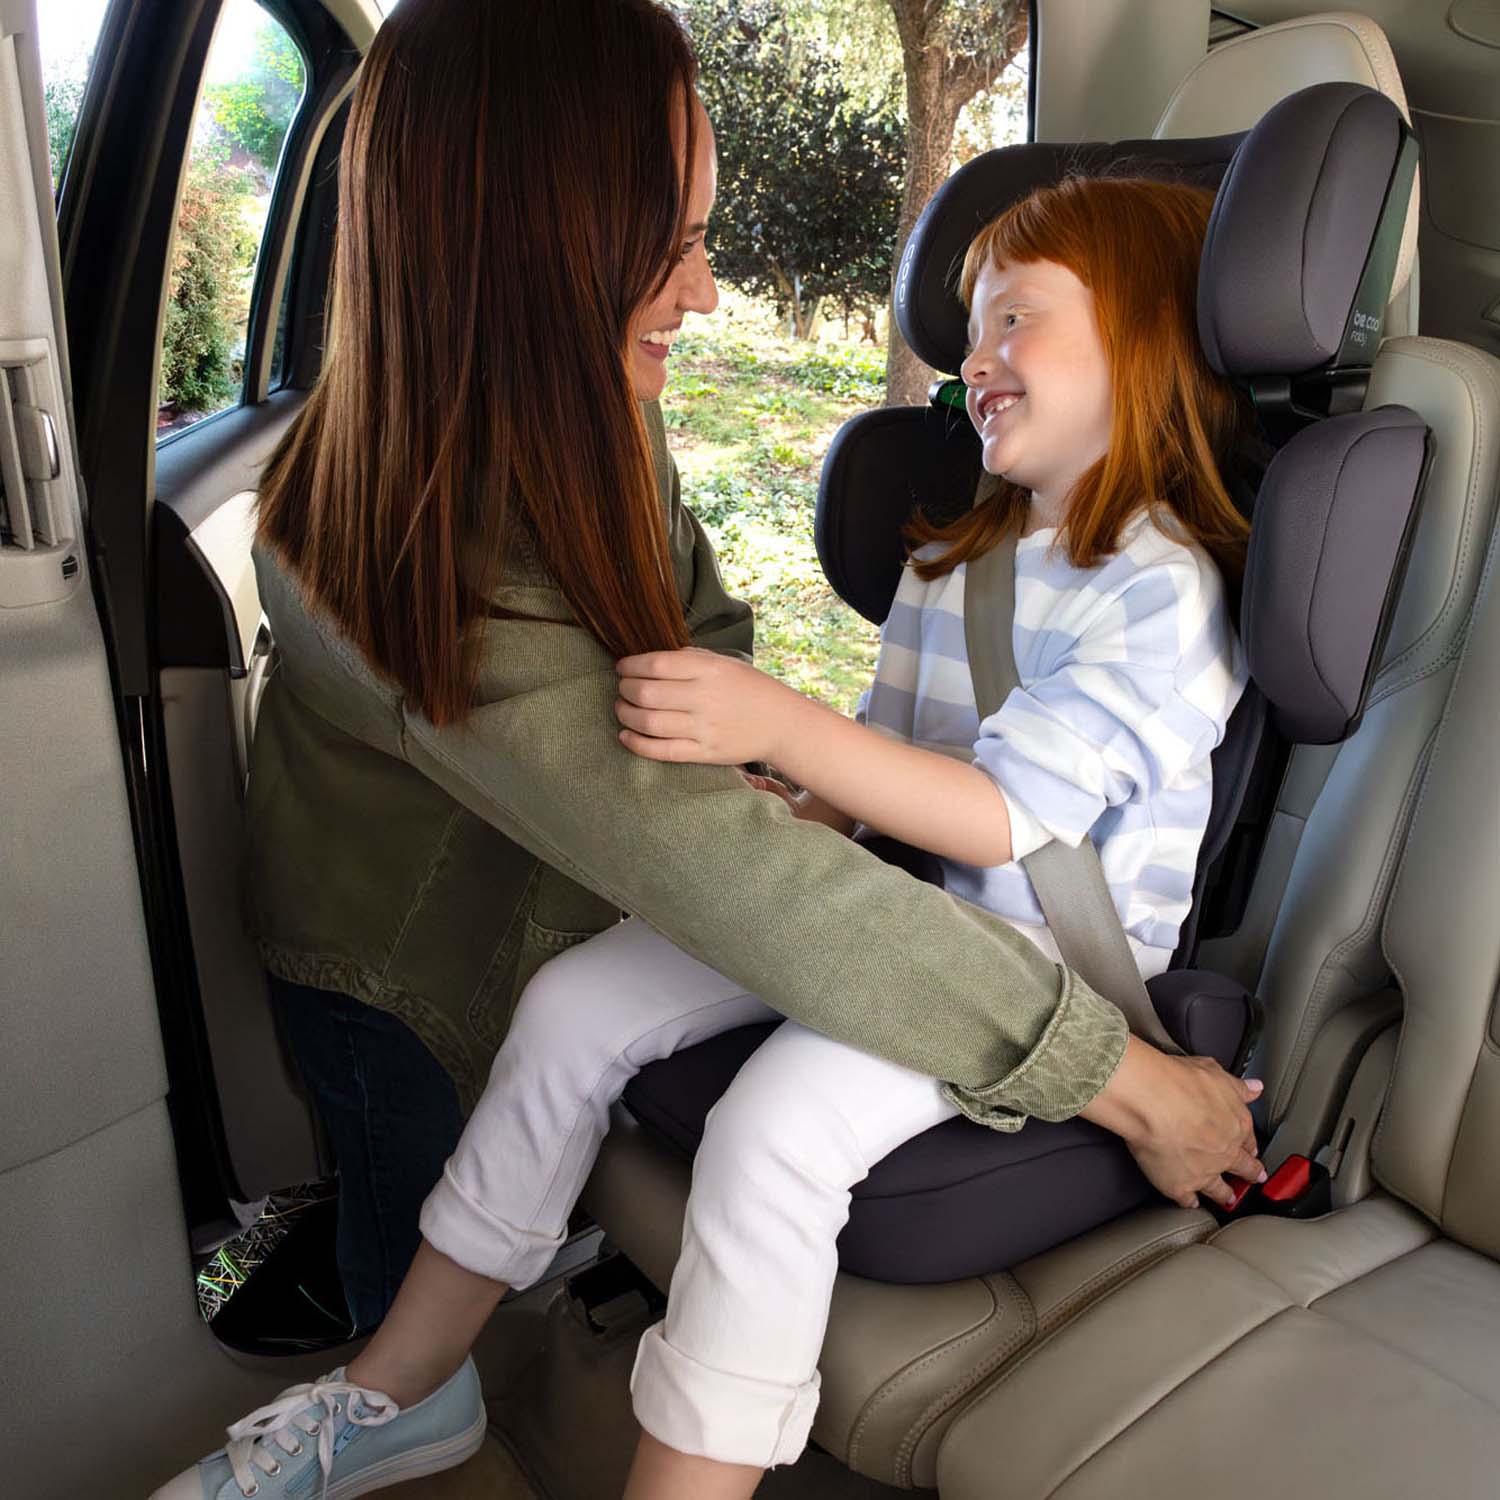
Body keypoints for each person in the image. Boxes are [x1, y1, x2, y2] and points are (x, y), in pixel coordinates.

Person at [149, 0, 1264, 1492]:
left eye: (1022, 317)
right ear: (545, 254)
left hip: (1024, 941)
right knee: (570, 1011)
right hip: (499, 929)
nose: (715, 290)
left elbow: (888, 763)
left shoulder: (1150, 589)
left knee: (768, 1135)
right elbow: (777, 815)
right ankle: (403, 1389)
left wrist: (781, 761)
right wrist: (802, 781)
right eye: (671, 243)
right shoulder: (951, 556)